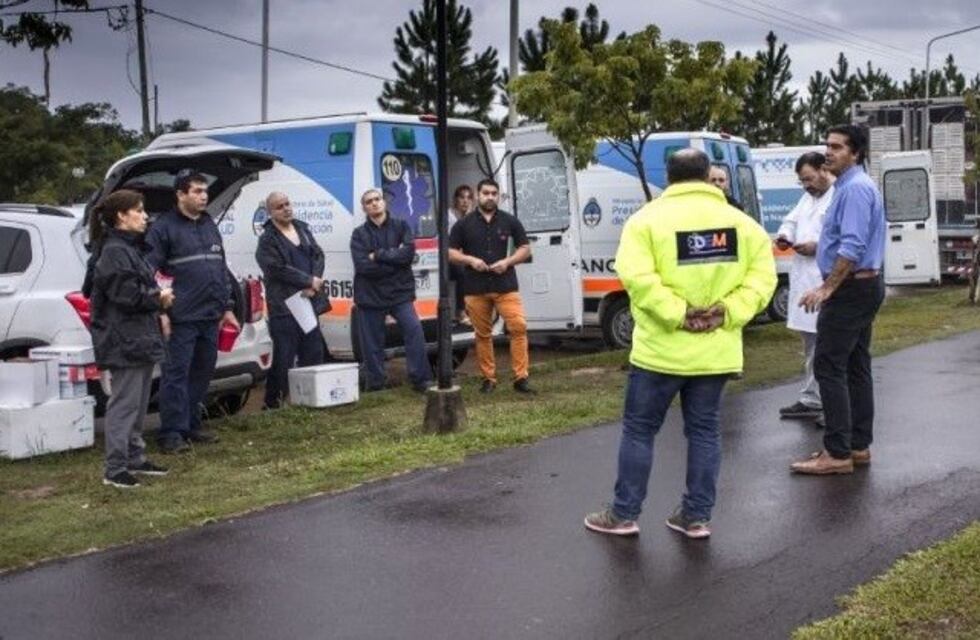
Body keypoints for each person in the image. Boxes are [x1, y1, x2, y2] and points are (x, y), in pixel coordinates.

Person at [584, 149, 776, 537]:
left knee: (640, 431)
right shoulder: (744, 225)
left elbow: (636, 277)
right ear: (708, 176)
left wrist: (678, 312)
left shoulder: (645, 222)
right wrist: (726, 311)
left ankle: (623, 514)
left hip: (659, 351)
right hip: (716, 351)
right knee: (704, 431)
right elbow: (762, 280)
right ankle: (695, 516)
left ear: (668, 177)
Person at [791, 125, 886, 475]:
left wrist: (828, 288)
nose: (828, 152)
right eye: (827, 146)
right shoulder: (847, 187)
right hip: (861, 287)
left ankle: (837, 452)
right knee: (856, 365)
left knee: (829, 366)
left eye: (837, 147)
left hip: (850, 290)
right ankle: (857, 446)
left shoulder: (856, 189)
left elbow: (853, 245)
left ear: (856, 153)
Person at [145, 171, 240, 453]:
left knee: (202, 372)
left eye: (205, 191)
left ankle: (191, 423)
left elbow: (220, 267)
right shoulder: (163, 228)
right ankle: (171, 433)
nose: (203, 196)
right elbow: (147, 271)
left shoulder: (209, 223)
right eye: (197, 191)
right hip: (180, 318)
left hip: (210, 315)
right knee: (176, 375)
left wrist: (228, 307)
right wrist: (160, 308)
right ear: (180, 195)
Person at [89, 190, 173, 487]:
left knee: (139, 403)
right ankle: (114, 468)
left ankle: (135, 457)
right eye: (138, 211)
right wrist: (158, 298)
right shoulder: (113, 250)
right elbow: (126, 295)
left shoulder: (130, 248)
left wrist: (157, 306)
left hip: (140, 336)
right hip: (123, 338)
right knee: (124, 403)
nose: (145, 216)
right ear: (122, 216)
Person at [449, 178, 534, 394]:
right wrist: (470, 261)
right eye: (486, 193)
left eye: (494, 193)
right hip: (475, 287)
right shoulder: (464, 224)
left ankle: (521, 378)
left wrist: (507, 262)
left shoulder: (510, 221)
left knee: (518, 327)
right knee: (483, 334)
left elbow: (525, 248)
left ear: (498, 196)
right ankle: (488, 379)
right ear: (478, 195)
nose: (490, 197)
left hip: (506, 285)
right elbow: (450, 252)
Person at [350, 188, 431, 393]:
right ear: (364, 208)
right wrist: (394, 262)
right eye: (369, 201)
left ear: (384, 202)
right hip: (370, 295)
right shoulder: (359, 235)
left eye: (377, 199)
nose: (374, 203)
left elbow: (408, 254)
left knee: (414, 332)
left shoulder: (402, 226)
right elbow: (362, 267)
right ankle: (376, 385)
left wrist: (377, 255)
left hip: (400, 293)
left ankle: (421, 380)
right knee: (371, 343)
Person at [775, 152, 835, 420]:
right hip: (804, 281)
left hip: (826, 282)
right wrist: (785, 236)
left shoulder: (838, 196)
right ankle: (812, 398)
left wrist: (817, 247)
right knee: (810, 346)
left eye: (809, 179)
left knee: (828, 348)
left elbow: (846, 241)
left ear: (824, 170)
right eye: (802, 181)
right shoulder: (808, 197)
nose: (806, 185)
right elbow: (791, 220)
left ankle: (832, 406)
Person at [255, 191, 329, 409]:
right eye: (279, 206)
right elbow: (275, 269)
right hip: (284, 307)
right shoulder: (267, 239)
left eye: (288, 203)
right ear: (270, 212)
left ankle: (312, 400)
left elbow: (318, 255)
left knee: (313, 351)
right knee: (284, 358)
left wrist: (314, 282)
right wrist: (307, 281)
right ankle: (273, 405)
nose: (286, 208)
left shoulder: (302, 228)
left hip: (308, 303)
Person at [448, 184, 473, 323]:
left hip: (463, 257)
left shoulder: (472, 216)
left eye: (469, 198)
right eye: (462, 197)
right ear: (455, 200)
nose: (465, 201)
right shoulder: (449, 215)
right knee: (463, 272)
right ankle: (461, 312)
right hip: (449, 257)